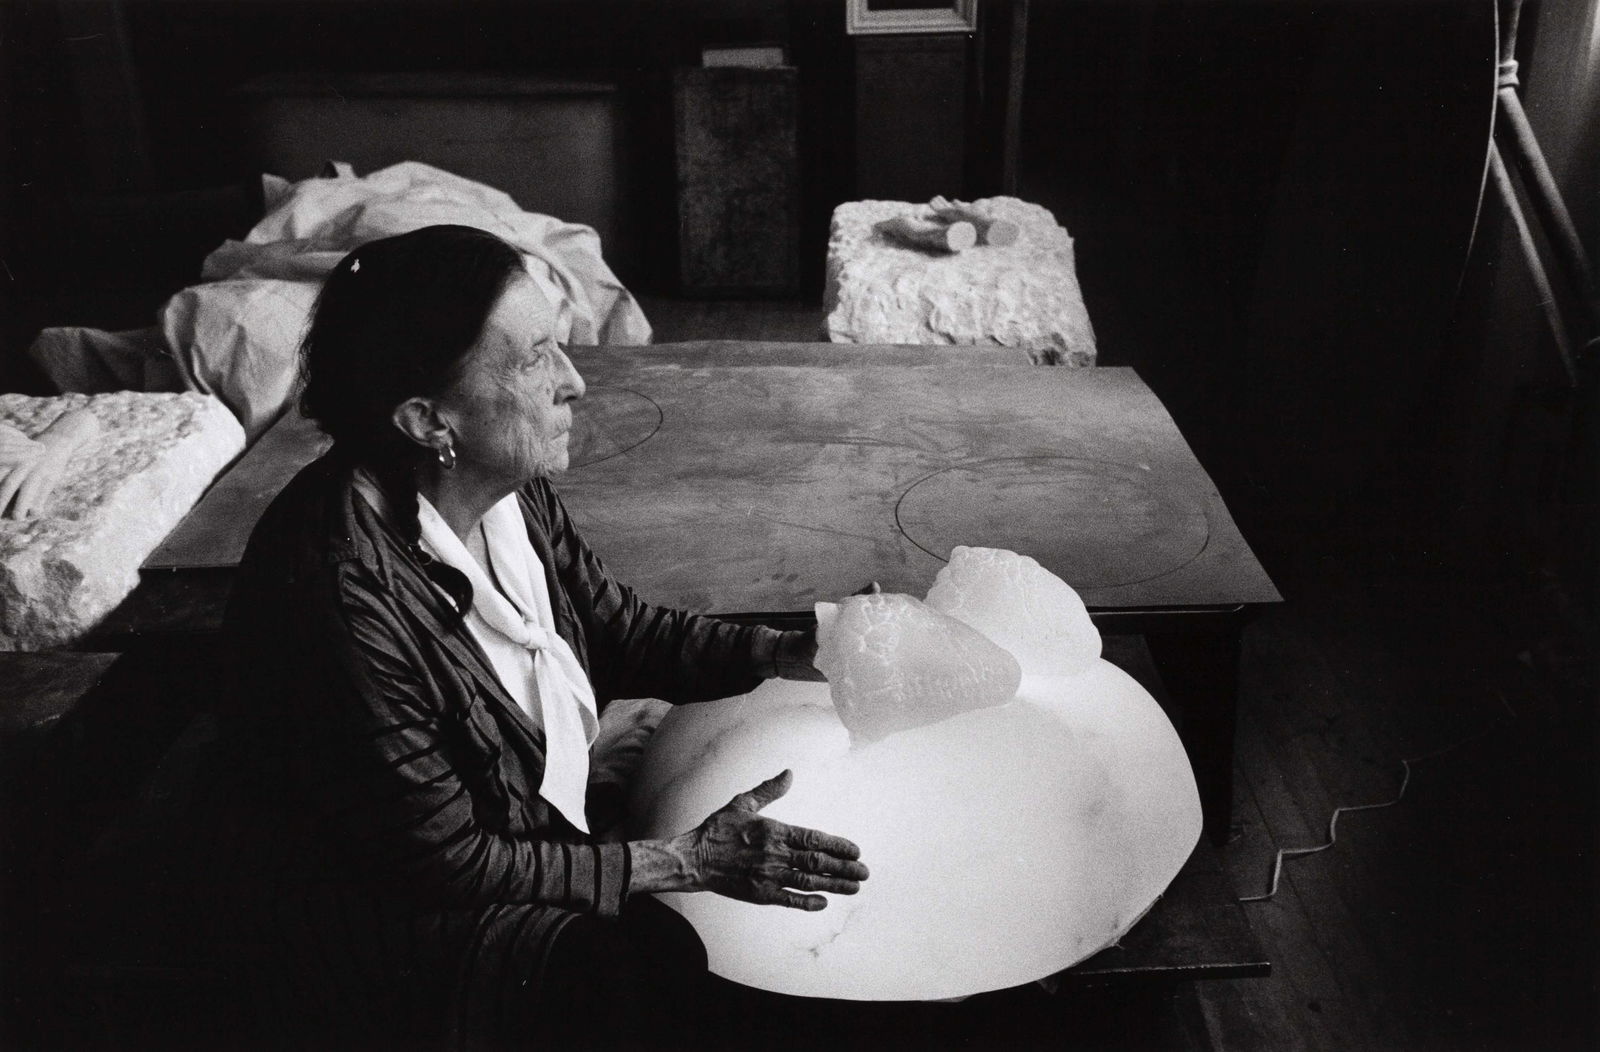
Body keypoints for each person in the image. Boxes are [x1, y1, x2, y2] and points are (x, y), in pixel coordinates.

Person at [206, 224, 869, 1050]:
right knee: (646, 973)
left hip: (478, 838)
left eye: (561, 346)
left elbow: (615, 626)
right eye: (533, 360)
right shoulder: (343, 598)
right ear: (426, 417)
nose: (575, 383)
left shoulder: (496, 487)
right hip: (380, 912)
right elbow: (450, 862)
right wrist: (682, 861)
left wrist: (786, 652)